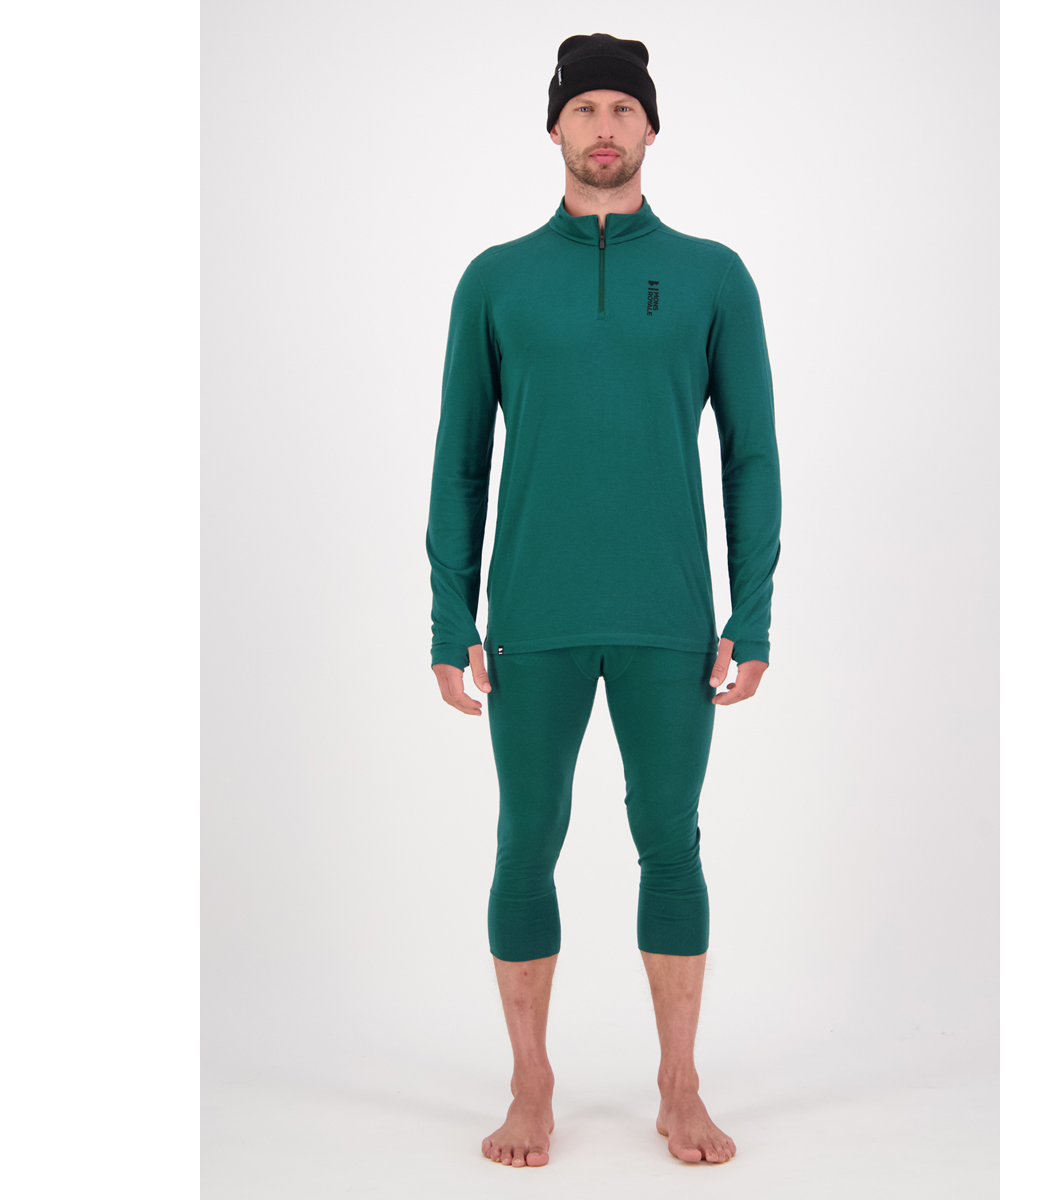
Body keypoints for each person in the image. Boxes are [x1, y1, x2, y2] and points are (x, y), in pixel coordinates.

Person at [425, 32, 782, 1168]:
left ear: (652, 128)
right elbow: (460, 462)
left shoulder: (714, 275)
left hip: (668, 620)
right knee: (525, 843)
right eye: (585, 107)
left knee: (669, 843)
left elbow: (751, 457)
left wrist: (752, 611)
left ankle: (680, 1082)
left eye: (624, 107)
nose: (604, 126)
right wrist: (450, 616)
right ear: (554, 129)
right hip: (532, 620)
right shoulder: (495, 279)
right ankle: (530, 1081)